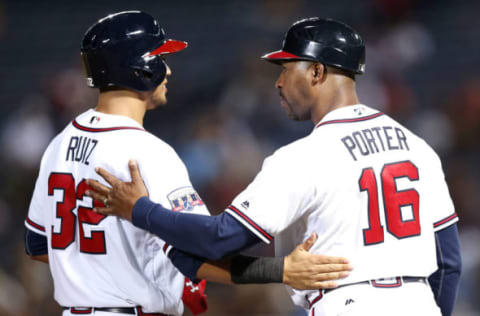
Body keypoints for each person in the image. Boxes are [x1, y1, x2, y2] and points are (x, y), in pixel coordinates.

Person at [87, 17, 462, 316]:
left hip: (347, 305)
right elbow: (447, 263)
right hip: (419, 303)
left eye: (287, 70)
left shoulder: (304, 156)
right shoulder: (418, 147)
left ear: (316, 73)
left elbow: (221, 238)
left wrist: (140, 211)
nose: (279, 83)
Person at [24, 12, 353, 316]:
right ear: (139, 68)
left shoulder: (59, 144)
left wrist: (98, 271)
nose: (168, 70)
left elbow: (38, 245)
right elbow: (201, 250)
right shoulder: (147, 152)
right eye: (161, 59)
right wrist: (280, 270)